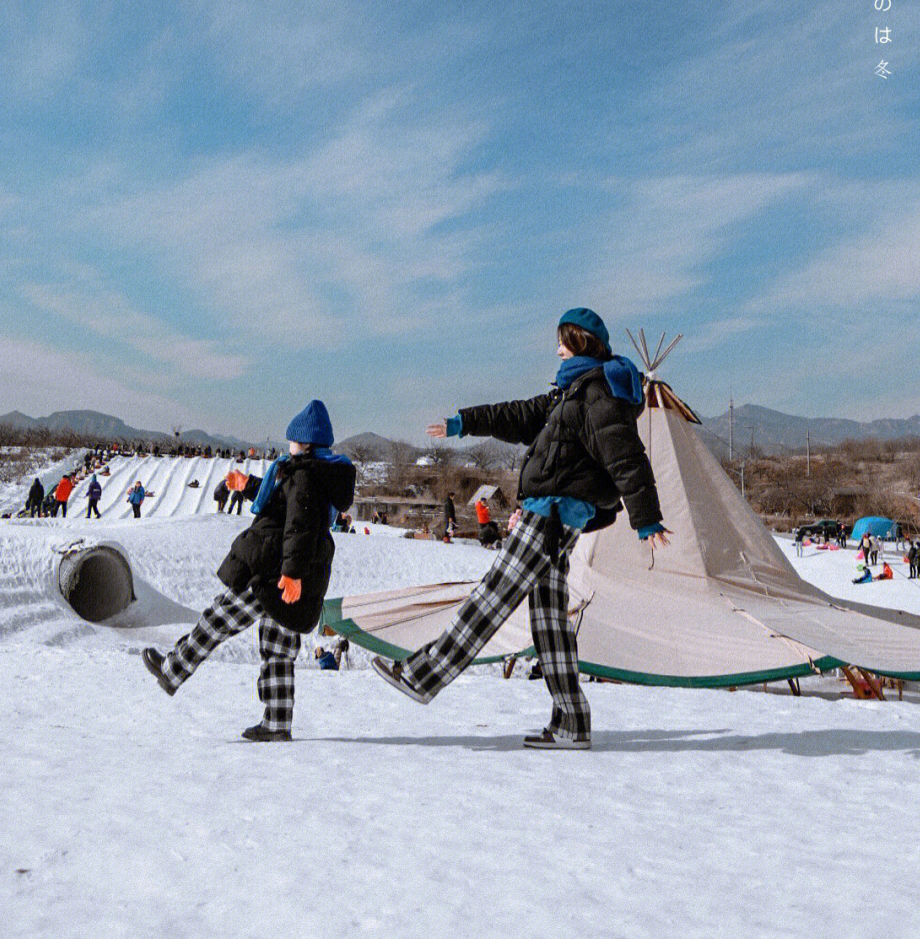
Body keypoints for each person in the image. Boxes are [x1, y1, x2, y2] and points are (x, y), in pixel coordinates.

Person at [371, 308, 667, 750]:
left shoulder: (596, 392)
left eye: (563, 342)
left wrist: (646, 518)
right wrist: (463, 423)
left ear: (582, 343)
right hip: (557, 515)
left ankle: (422, 674)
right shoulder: (570, 393)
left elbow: (626, 456)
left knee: (494, 594)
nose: (557, 348)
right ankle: (572, 722)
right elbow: (516, 414)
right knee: (548, 621)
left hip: (551, 512)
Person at [142, 401, 355, 741]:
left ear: (304, 443)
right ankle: (276, 723)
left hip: (272, 573)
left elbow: (299, 527)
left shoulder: (305, 475)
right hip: (289, 573)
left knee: (219, 617)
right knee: (278, 649)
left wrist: (291, 573)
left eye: (292, 440)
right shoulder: (313, 473)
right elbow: (285, 501)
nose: (289, 445)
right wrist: (249, 485)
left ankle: (173, 669)